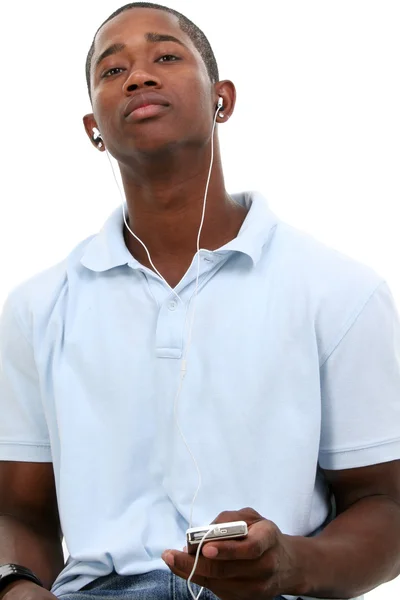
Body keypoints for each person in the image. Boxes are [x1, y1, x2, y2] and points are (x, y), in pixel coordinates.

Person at [0, 3, 400, 600]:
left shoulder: (336, 289)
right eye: (113, 71)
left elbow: (386, 504)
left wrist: (290, 564)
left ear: (223, 99)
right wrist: (14, 587)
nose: (139, 76)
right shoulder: (36, 308)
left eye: (166, 56)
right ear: (92, 129)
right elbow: (21, 514)